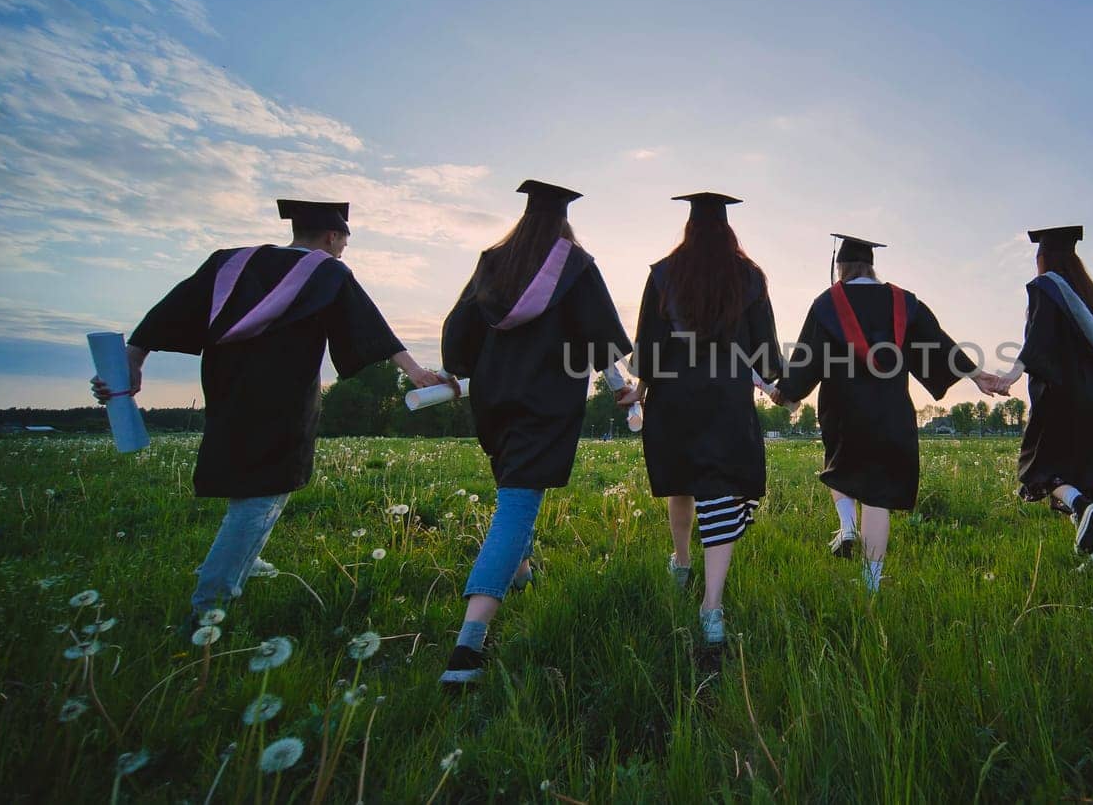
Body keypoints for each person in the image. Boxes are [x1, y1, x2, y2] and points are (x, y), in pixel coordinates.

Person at [90, 199, 448, 633]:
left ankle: (248, 556)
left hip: (227, 389)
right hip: (284, 396)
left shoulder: (231, 263)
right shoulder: (327, 272)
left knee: (249, 482)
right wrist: (415, 373)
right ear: (332, 237)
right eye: (342, 245)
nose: (340, 253)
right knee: (265, 492)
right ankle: (209, 607)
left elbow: (172, 308)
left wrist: (133, 358)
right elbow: (371, 328)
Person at [436, 179, 635, 688]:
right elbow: (600, 337)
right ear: (565, 221)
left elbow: (460, 328)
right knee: (517, 504)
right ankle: (468, 644)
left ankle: (521, 571)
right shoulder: (575, 266)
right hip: (544, 400)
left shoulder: (494, 259)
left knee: (514, 488)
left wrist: (457, 371)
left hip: (493, 398)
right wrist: (621, 386)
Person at [772, 234, 1004, 592]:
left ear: (841, 268)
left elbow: (807, 357)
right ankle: (872, 583)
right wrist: (975, 374)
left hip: (843, 411)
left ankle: (847, 526)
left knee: (839, 470)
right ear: (871, 265)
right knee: (877, 496)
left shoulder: (827, 303)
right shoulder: (903, 302)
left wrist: (787, 392)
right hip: (891, 410)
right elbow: (939, 342)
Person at [630, 191, 783, 648]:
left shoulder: (663, 273)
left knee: (681, 480)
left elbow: (648, 343)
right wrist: (776, 381)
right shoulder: (750, 276)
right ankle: (711, 606)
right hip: (725, 396)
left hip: (674, 394)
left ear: (690, 228)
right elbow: (765, 347)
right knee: (719, 488)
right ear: (728, 230)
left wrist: (639, 389)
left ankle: (681, 564)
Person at [989, 225, 1093, 571]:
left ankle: (1082, 507)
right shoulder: (1089, 298)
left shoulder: (1045, 286)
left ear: (1043, 258)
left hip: (1060, 395)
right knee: (1089, 473)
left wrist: (1012, 373)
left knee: (1039, 468)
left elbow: (1037, 337)